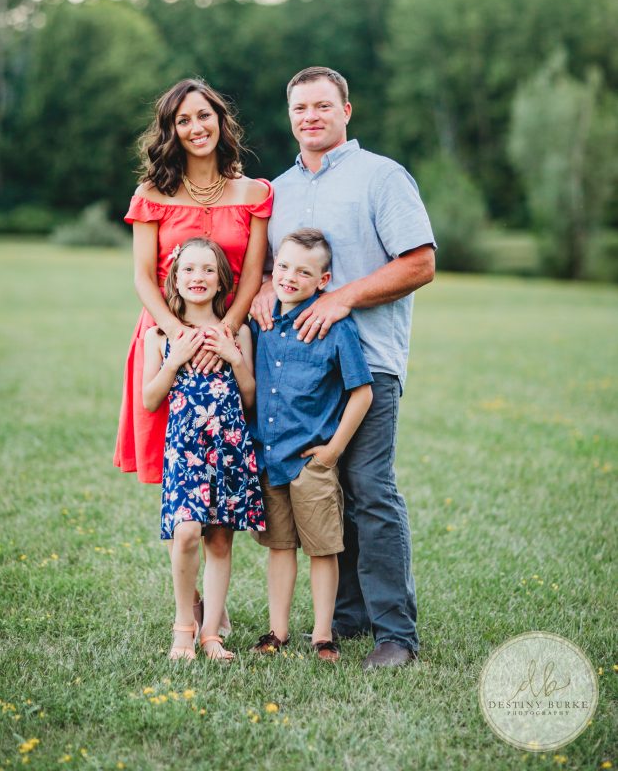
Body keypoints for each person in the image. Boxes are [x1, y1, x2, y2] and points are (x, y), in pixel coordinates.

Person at [250, 66, 436, 670]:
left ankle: (395, 634)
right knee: (323, 489)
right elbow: (276, 269)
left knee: (370, 490)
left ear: (346, 111)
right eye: (300, 108)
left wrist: (342, 298)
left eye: (323, 106)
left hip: (367, 362)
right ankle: (347, 616)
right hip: (297, 374)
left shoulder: (381, 177)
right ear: (289, 116)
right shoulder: (277, 191)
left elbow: (420, 263)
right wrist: (262, 286)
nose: (311, 116)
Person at [114, 77, 273, 484]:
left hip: (232, 337)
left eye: (204, 115)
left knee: (232, 463)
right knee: (178, 468)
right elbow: (143, 277)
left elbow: (252, 275)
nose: (196, 127)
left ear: (220, 120)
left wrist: (226, 333)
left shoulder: (254, 194)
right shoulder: (151, 194)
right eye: (183, 120)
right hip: (166, 334)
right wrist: (178, 336)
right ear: (172, 131)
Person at [249, 230, 373, 662]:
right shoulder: (261, 321)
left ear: (323, 280)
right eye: (283, 266)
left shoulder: (336, 328)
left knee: (323, 548)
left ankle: (323, 634)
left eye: (304, 272)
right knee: (280, 547)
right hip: (269, 456)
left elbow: (362, 393)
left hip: (311, 462)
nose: (289, 276)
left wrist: (332, 451)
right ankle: (277, 631)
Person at [142, 237, 265, 661]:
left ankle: (212, 633)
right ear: (175, 278)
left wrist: (234, 357)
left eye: (208, 270)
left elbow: (249, 397)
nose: (199, 277)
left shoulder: (238, 333)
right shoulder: (160, 336)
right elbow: (149, 399)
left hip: (228, 447)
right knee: (187, 532)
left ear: (222, 281)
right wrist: (174, 360)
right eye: (189, 269)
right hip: (186, 450)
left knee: (220, 541)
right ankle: (184, 626)